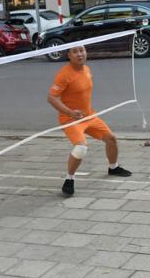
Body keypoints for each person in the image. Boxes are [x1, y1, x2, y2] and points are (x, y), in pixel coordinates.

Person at [48, 45, 132, 196]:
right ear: (69, 55)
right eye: (75, 51)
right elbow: (51, 98)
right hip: (70, 119)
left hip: (89, 116)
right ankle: (69, 180)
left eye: (82, 50)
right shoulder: (64, 75)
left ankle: (113, 167)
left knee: (111, 139)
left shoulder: (86, 69)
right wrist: (70, 112)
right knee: (81, 148)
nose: (80, 54)